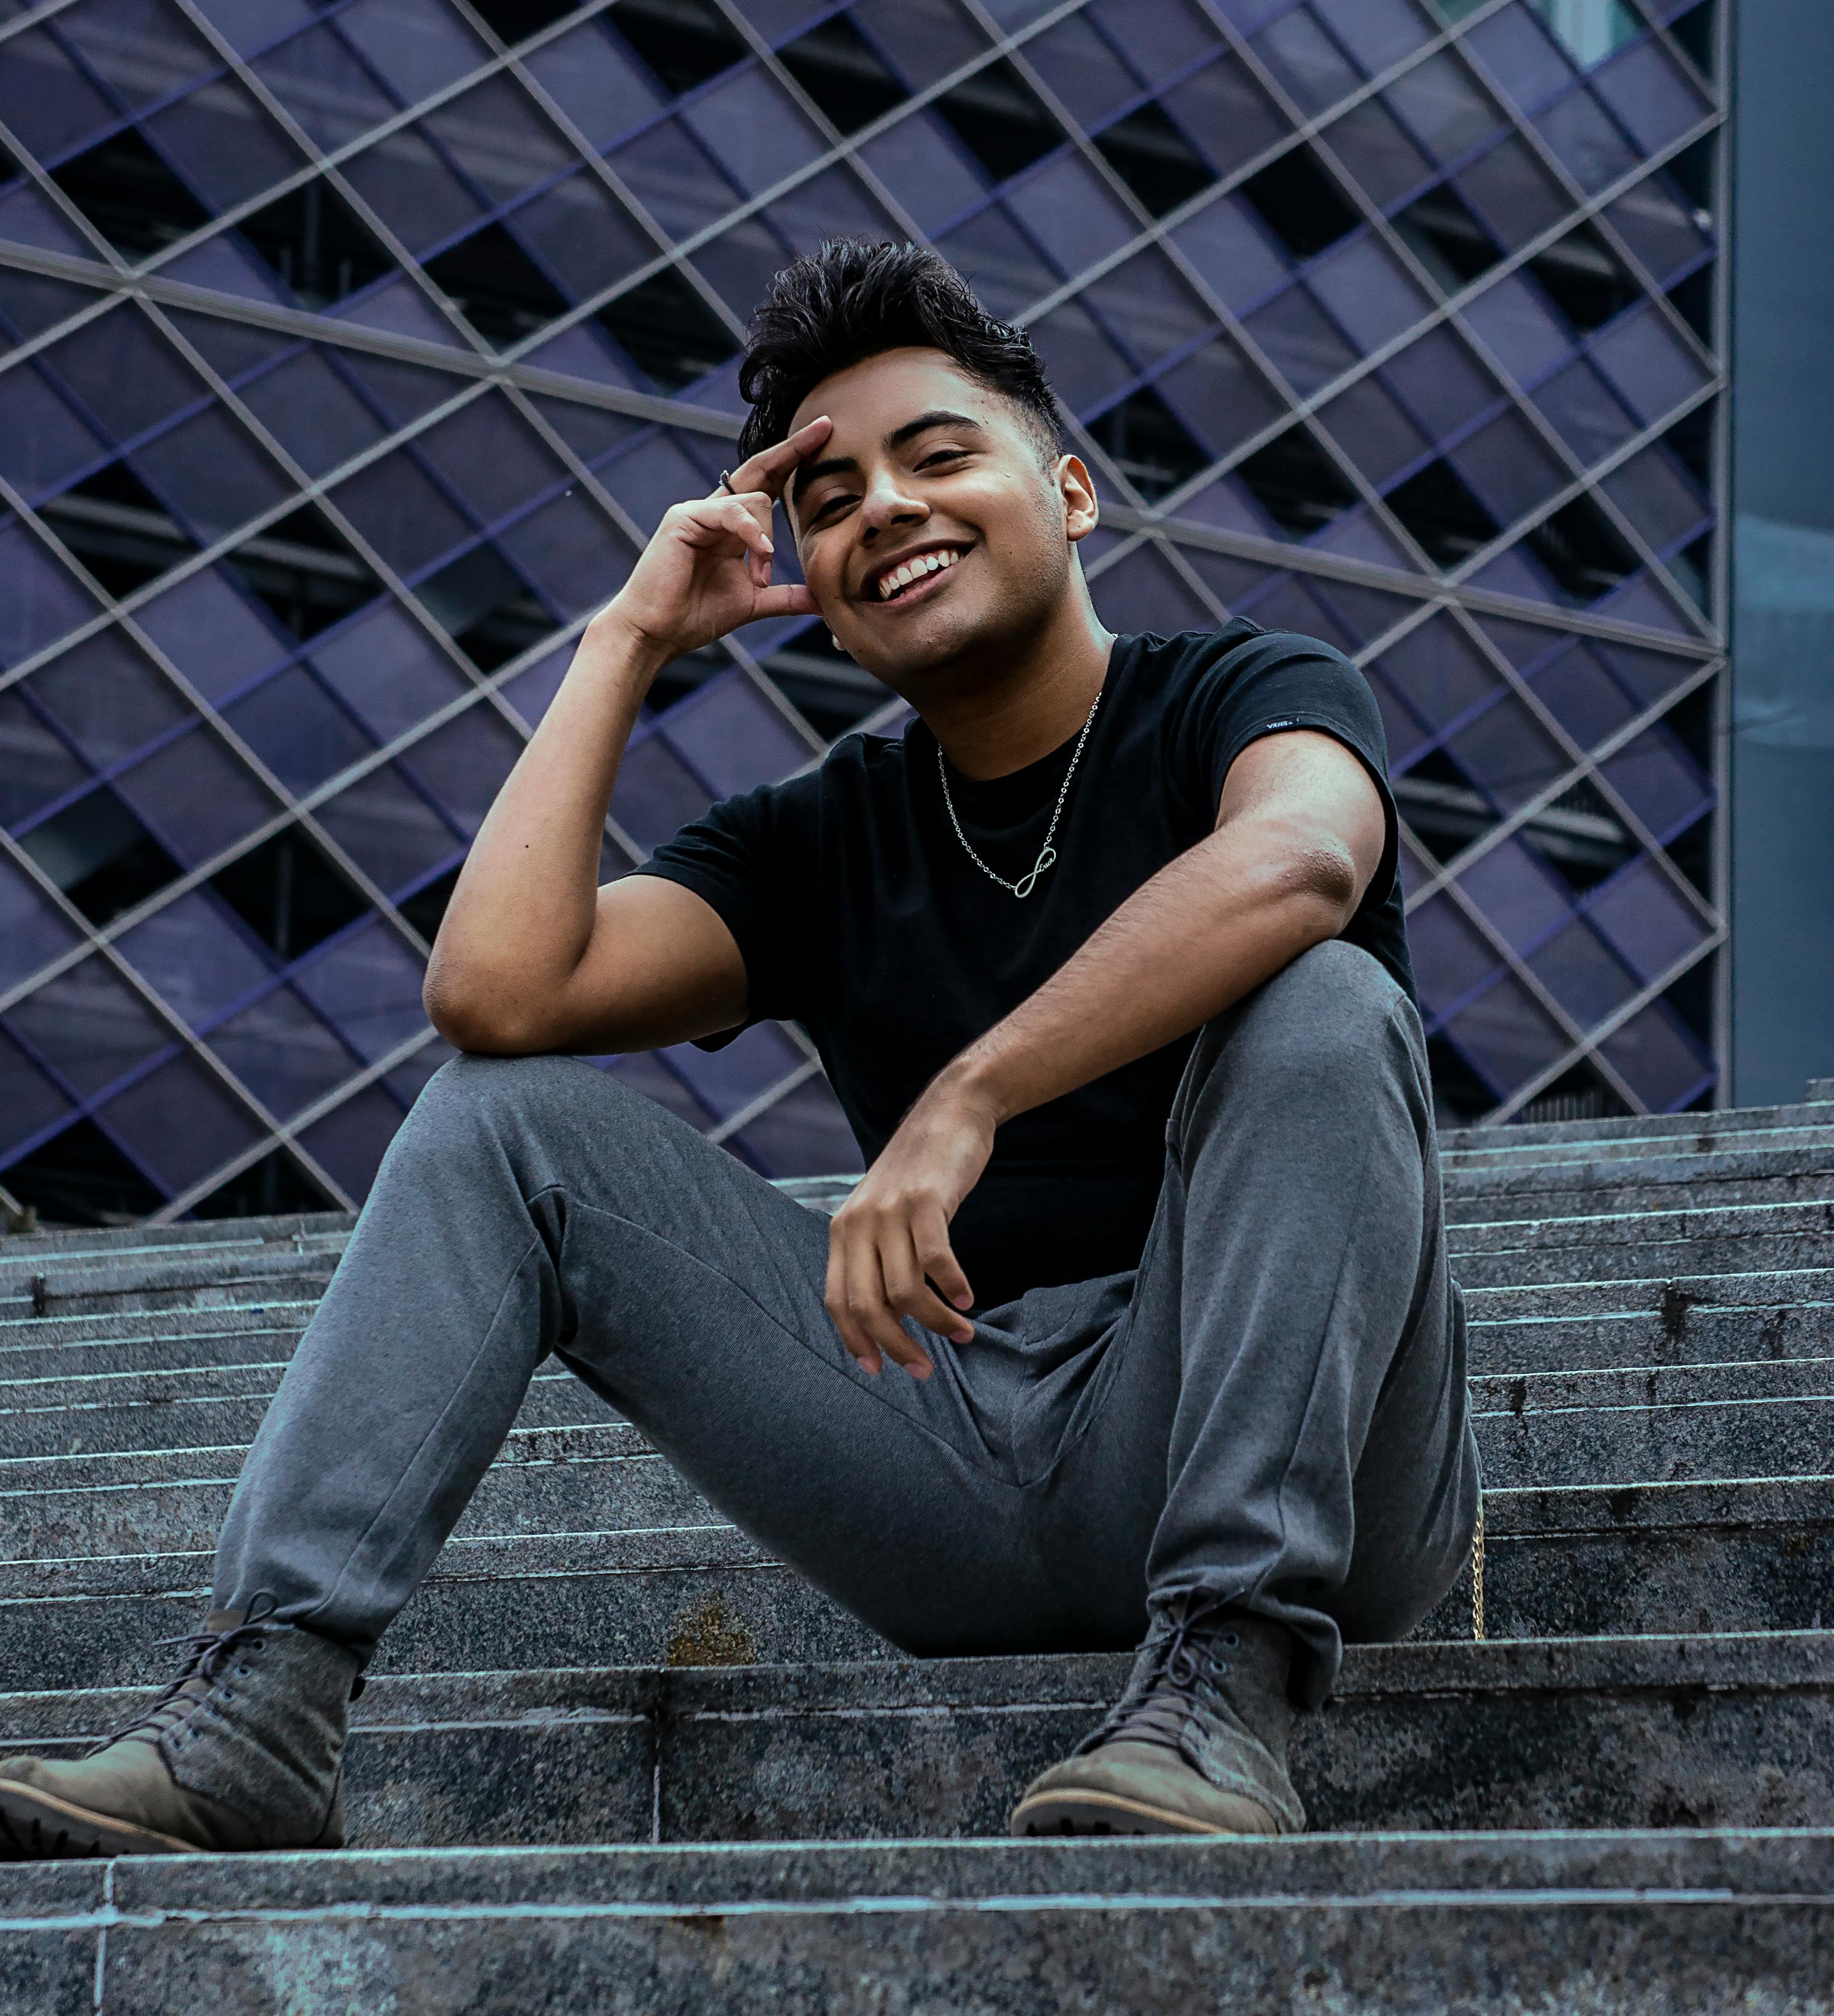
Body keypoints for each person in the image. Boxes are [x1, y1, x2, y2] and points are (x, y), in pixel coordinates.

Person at [0, 241, 1478, 1860]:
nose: (885, 512)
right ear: (815, 590)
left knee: (1329, 1004)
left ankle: (1231, 1679)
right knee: (505, 1125)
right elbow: (496, 995)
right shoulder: (826, 833)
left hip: (1299, 1461)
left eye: (939, 456)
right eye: (830, 500)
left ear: (1069, 494)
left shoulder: (1243, 690)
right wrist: (629, 641)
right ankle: (261, 1712)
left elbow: (1304, 865)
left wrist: (971, 1092)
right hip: (969, 1460)